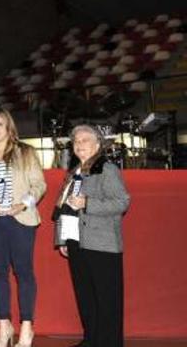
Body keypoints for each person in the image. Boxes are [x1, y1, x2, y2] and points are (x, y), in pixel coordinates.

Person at [53, 124, 130, 347]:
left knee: (107, 299)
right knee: (86, 296)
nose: (79, 145)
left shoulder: (106, 169)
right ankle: (91, 340)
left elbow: (122, 201)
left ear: (97, 145)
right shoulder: (74, 171)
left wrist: (88, 203)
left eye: (85, 140)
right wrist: (62, 239)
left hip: (102, 243)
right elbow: (64, 207)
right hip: (76, 240)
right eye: (76, 141)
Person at [0, 108, 46, 347]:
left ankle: (27, 327)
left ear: (9, 127)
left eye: (0, 124)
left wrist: (23, 204)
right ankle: (4, 325)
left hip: (21, 220)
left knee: (24, 272)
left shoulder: (25, 152)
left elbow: (39, 185)